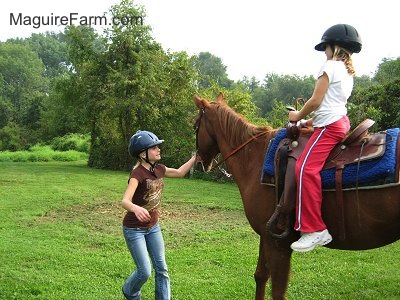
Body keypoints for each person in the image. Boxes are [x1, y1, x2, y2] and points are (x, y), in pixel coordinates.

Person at [288, 24, 362, 252]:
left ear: (335, 46)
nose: (325, 52)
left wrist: (297, 115)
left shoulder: (329, 66)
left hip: (329, 126)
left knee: (304, 168)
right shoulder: (347, 72)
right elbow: (333, 105)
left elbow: (316, 100)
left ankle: (314, 229)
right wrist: (309, 122)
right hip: (337, 121)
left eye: (326, 47)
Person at [121, 130, 197, 300]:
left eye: (157, 147)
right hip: (134, 229)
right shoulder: (137, 174)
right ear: (143, 154)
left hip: (153, 227)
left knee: (162, 268)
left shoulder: (160, 169)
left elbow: (179, 172)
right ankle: (129, 291)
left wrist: (194, 159)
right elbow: (125, 201)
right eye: (154, 147)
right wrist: (136, 208)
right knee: (145, 271)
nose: (158, 149)